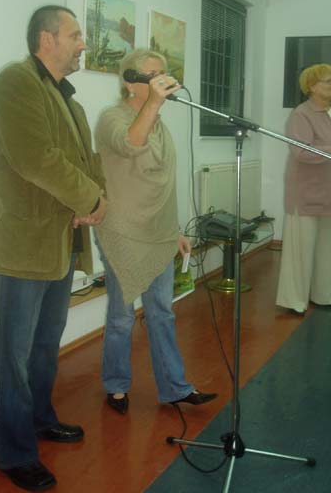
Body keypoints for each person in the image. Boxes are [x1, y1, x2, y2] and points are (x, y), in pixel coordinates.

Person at [0, 5, 106, 491]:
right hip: (23, 245)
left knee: (46, 343)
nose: (83, 44)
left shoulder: (69, 101)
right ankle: (14, 453)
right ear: (46, 39)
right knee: (13, 352)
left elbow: (83, 162)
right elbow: (36, 159)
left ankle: (38, 418)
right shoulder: (16, 82)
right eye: (76, 35)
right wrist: (90, 198)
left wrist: (95, 199)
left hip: (59, 242)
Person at [95, 48, 217, 414]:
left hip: (158, 232)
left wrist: (174, 230)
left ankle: (174, 387)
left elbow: (163, 186)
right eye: (153, 74)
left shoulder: (161, 126)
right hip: (122, 231)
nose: (163, 79)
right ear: (130, 82)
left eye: (164, 72)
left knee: (162, 311)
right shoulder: (111, 118)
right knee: (121, 316)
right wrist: (152, 105)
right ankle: (116, 385)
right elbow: (131, 143)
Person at [276, 63, 331, 315]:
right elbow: (301, 152)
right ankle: (294, 301)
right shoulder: (301, 114)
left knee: (329, 250)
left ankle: (326, 295)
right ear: (311, 86)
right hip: (307, 194)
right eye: (327, 81)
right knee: (300, 252)